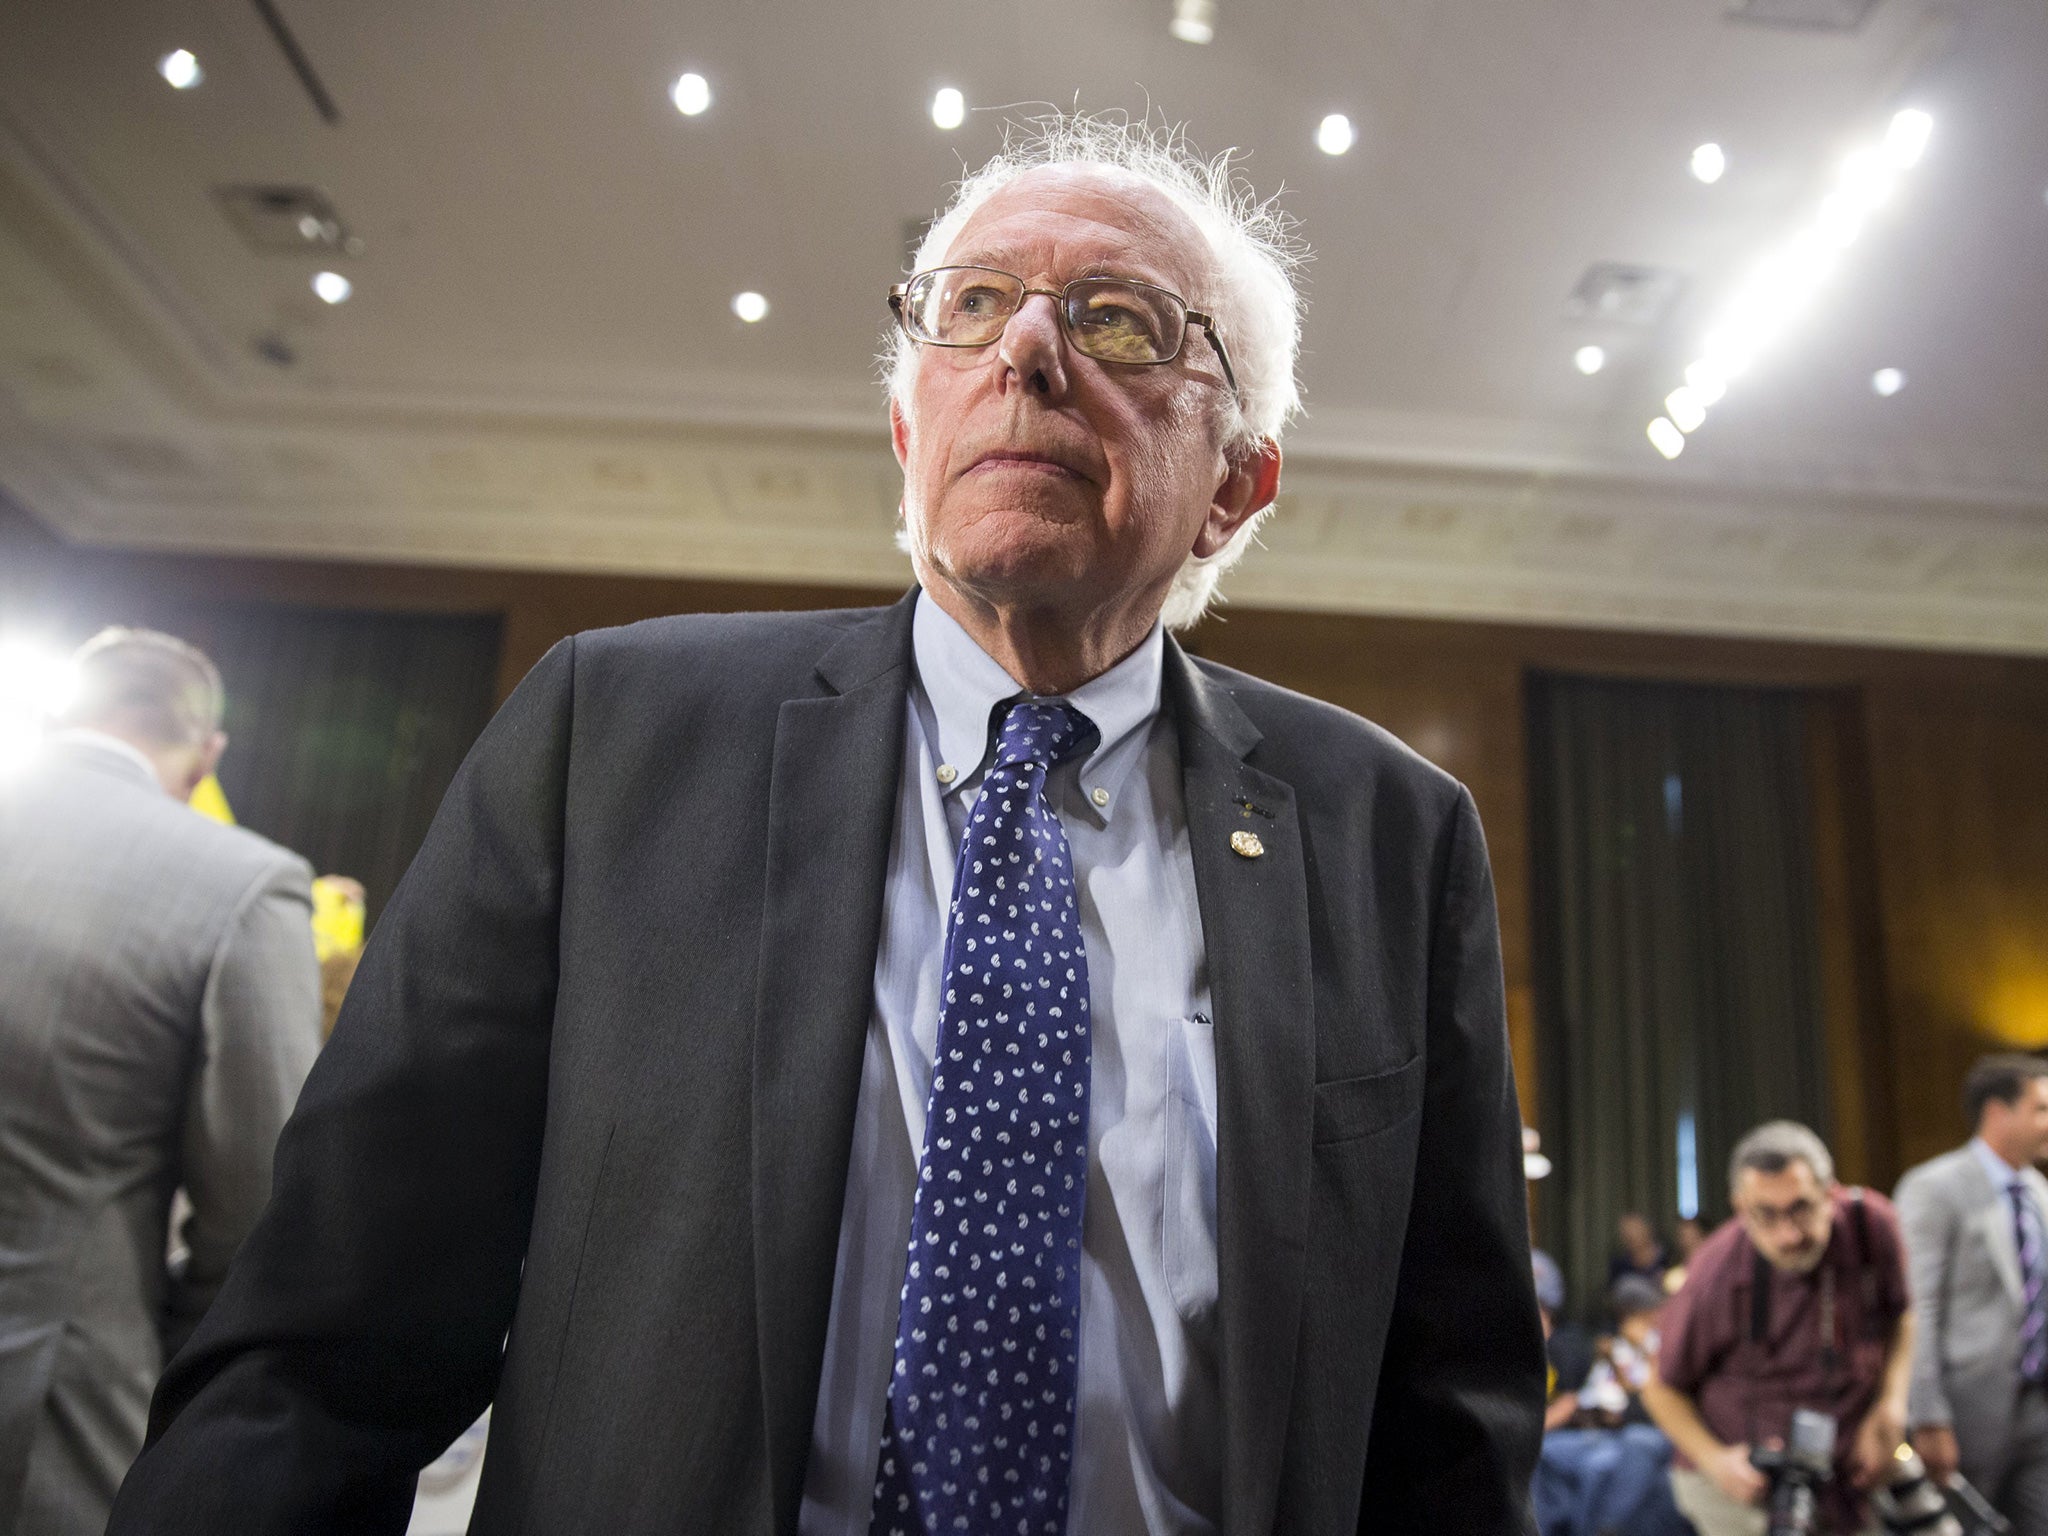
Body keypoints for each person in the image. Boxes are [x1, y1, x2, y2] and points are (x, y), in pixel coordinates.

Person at [106, 117, 1544, 1535]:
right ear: (911, 426)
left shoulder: (1389, 837)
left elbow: (1449, 1424)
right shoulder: (614, 737)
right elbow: (328, 1344)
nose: (1025, 352)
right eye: (972, 305)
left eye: (1118, 324)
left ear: (1237, 483)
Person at [0, 628, 323, 1535]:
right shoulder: (242, 882)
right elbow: (261, 1207)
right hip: (47, 1409)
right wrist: (180, 1347)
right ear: (207, 749)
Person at [1644, 1120, 1914, 1536]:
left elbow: (1902, 1314)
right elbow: (1660, 1388)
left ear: (1831, 1193)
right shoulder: (1714, 1272)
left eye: (1801, 1209)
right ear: (1740, 1208)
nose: (1788, 1235)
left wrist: (1891, 1402)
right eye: (1766, 1215)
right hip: (1745, 1479)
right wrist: (1716, 1461)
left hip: (1847, 1469)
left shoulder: (1871, 1225)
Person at [1894, 1052, 2048, 1534]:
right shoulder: (1933, 1187)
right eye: (2041, 1109)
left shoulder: (2038, 1189)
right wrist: (1928, 1416)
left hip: (2037, 1409)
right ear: (1998, 1113)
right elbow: (1917, 1308)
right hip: (1965, 1416)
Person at [1609, 1212, 1669, 1292]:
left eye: (1634, 1229)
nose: (1630, 1236)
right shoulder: (1619, 1264)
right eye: (1625, 1232)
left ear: (1648, 1230)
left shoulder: (1669, 1258)